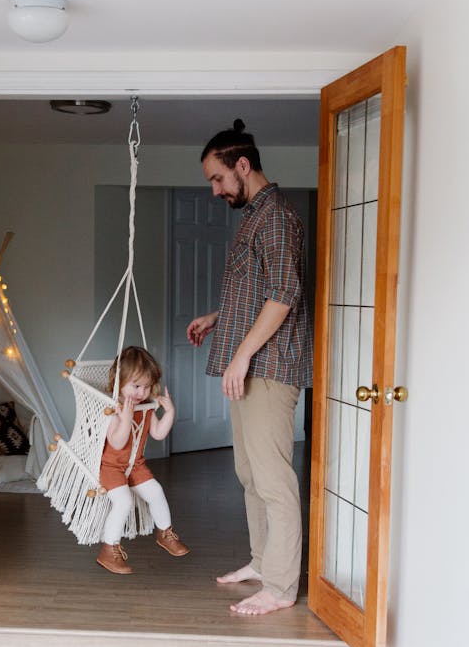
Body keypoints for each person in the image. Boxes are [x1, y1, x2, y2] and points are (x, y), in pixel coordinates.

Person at [187, 119, 312, 616]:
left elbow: (285, 293)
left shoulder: (277, 216)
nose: (216, 190)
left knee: (273, 479)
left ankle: (281, 587)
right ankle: (264, 562)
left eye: (218, 179)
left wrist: (241, 355)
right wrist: (220, 318)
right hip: (248, 365)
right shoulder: (256, 216)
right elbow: (262, 291)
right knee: (249, 473)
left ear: (243, 166)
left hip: (268, 368)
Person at [96, 346, 189, 575]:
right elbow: (117, 443)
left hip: (135, 465)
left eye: (146, 387)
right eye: (136, 386)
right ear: (119, 382)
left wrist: (169, 413)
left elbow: (158, 433)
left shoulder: (146, 407)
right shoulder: (113, 409)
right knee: (124, 502)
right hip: (110, 467)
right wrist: (126, 418)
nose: (141, 393)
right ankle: (109, 549)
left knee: (156, 491)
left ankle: (165, 533)